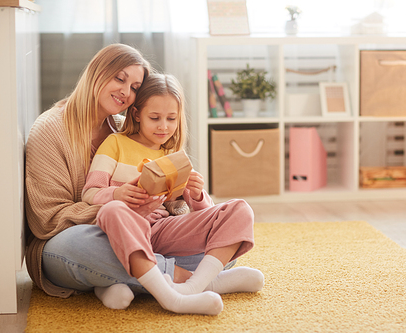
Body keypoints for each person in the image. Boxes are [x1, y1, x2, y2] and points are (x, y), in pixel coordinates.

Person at [25, 44, 207, 312]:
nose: (125, 91)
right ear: (96, 73)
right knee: (74, 246)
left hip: (139, 235)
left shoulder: (128, 129)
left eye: (135, 87)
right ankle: (191, 280)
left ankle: (114, 282)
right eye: (119, 78)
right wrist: (120, 207)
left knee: (212, 239)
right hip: (71, 241)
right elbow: (46, 220)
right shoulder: (49, 130)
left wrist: (181, 202)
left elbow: (166, 202)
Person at [81, 73, 264, 315]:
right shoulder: (115, 143)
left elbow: (204, 216)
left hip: (162, 229)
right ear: (136, 114)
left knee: (240, 209)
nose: (164, 126)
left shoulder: (173, 152)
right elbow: (90, 192)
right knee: (113, 210)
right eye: (154, 118)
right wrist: (118, 193)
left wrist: (196, 195)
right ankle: (176, 296)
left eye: (171, 118)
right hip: (126, 226)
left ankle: (192, 287)